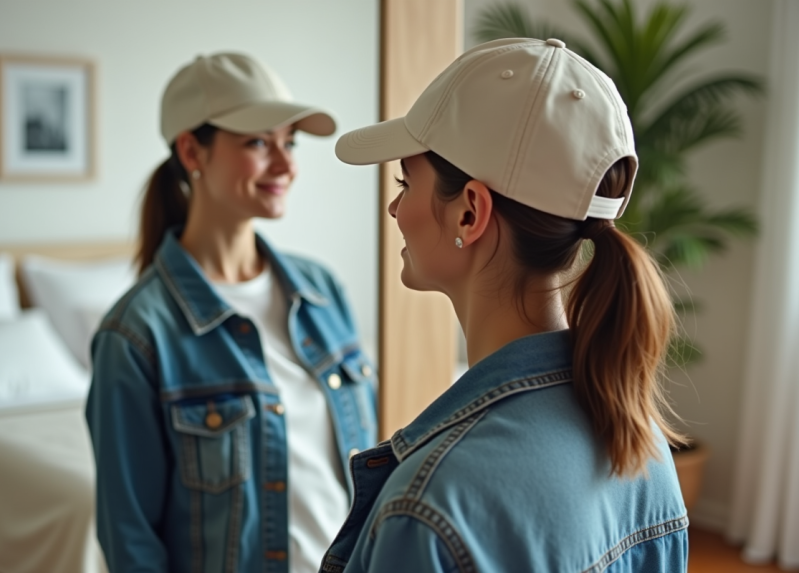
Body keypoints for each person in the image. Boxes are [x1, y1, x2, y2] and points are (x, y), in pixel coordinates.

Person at [320, 38, 688, 572]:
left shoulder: (431, 507)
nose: (396, 207)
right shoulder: (639, 435)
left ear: (470, 213)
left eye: (406, 180)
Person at [85, 52, 377, 573]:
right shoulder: (135, 335)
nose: (286, 165)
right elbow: (131, 541)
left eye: (290, 142)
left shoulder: (322, 290)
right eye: (259, 142)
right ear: (192, 150)